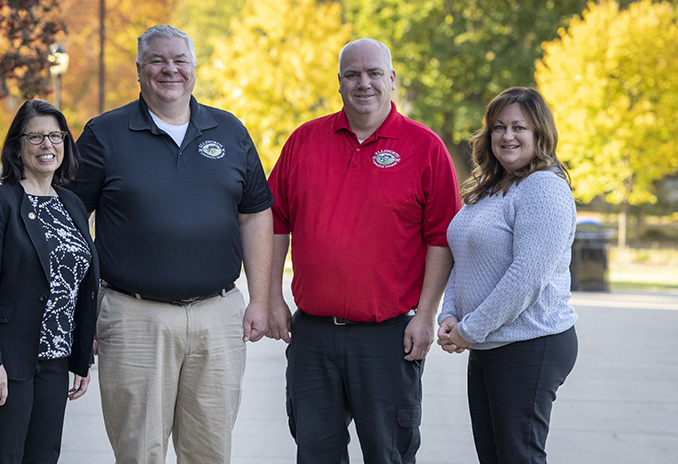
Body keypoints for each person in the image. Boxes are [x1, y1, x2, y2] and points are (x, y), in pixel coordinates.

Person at [64, 25, 274, 464]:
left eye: (179, 60)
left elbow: (255, 213)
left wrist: (260, 299)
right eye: (157, 61)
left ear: (194, 69)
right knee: (139, 451)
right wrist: (83, 310)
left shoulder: (229, 130)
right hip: (134, 317)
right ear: (139, 71)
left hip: (218, 317)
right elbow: (68, 222)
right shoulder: (105, 133)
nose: (169, 69)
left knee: (210, 453)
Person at [267, 38, 461, 463]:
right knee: (315, 454)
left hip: (388, 339)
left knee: (389, 453)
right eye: (352, 74)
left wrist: (426, 315)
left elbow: (443, 236)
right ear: (339, 83)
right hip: (312, 335)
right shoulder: (304, 141)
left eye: (374, 73)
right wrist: (272, 298)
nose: (364, 83)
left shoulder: (425, 148)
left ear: (391, 79)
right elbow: (275, 221)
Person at [0, 99, 100, 464]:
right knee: (4, 456)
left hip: (55, 358)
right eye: (36, 137)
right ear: (17, 146)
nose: (48, 145)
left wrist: (80, 357)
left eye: (56, 136)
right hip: (6, 358)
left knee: (44, 456)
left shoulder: (72, 205)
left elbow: (78, 287)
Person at [436, 87, 578, 463]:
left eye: (519, 127)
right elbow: (463, 256)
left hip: (530, 344)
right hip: (488, 344)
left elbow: (525, 279)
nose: (507, 136)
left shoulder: (544, 188)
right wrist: (449, 315)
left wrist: (469, 330)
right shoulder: (490, 189)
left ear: (539, 134)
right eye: (499, 126)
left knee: (518, 456)